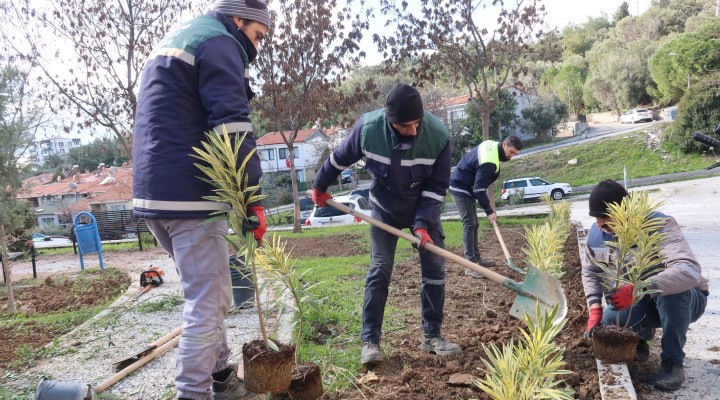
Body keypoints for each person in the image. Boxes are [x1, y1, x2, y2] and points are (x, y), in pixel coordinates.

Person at [132, 1, 270, 398]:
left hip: (155, 194)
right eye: (258, 36)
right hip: (192, 194)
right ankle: (193, 393)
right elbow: (232, 124)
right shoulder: (220, 43)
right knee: (208, 304)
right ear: (239, 19)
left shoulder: (181, 37)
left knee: (210, 294)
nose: (256, 49)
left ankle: (222, 377)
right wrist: (252, 198)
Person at [311, 83, 460, 365]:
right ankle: (370, 342)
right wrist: (319, 186)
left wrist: (422, 224)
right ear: (391, 122)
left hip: (422, 209)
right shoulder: (368, 130)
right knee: (380, 269)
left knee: (435, 270)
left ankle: (432, 336)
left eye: (418, 122)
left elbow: (437, 186)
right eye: (406, 125)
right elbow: (338, 159)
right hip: (384, 208)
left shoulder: (438, 135)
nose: (414, 130)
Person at [581, 180, 709, 391]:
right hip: (642, 301)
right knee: (611, 318)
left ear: (625, 213)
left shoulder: (659, 225)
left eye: (605, 219)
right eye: (595, 218)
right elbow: (590, 271)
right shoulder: (597, 234)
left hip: (685, 301)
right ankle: (640, 338)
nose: (599, 224)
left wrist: (641, 288)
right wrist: (594, 307)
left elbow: (689, 271)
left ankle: (672, 363)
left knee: (672, 295)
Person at [448, 135, 523, 278]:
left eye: (515, 154)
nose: (512, 156)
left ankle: (476, 259)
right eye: (511, 152)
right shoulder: (490, 161)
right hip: (460, 186)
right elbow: (479, 189)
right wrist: (489, 211)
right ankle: (470, 265)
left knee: (474, 224)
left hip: (466, 185)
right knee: (469, 224)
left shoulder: (492, 145)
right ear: (505, 144)